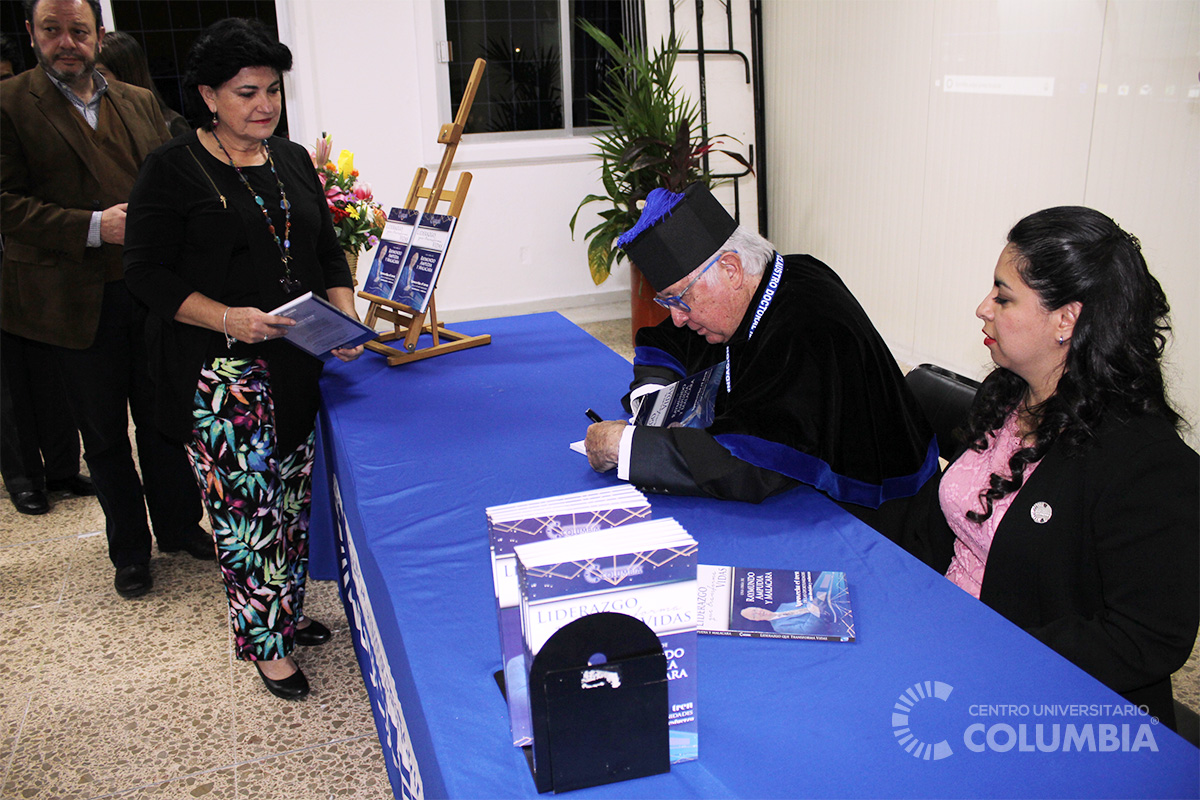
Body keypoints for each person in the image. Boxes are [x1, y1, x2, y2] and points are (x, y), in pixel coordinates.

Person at [123, 18, 364, 701]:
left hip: (294, 362)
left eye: (273, 91)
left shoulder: (290, 159)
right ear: (207, 96)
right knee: (246, 514)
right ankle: (266, 646)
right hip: (221, 375)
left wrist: (343, 312)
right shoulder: (171, 169)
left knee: (288, 503)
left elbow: (325, 252)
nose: (264, 105)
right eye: (245, 92)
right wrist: (229, 317)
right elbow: (146, 274)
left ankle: (283, 613)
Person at [899, 206, 1199, 730]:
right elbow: (941, 524)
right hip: (947, 645)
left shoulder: (1146, 463)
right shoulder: (1008, 394)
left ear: (1067, 319)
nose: (982, 309)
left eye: (1003, 295)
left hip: (1039, 700)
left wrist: (988, 650)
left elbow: (1147, 637)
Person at [1, 0, 211, 597]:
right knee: (104, 434)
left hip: (151, 296)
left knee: (165, 418)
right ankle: (131, 551)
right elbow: (6, 204)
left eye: (79, 31)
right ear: (32, 34)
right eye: (52, 30)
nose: (67, 42)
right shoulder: (11, 103)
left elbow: (174, 180)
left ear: (99, 35)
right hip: (71, 301)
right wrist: (93, 226)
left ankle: (178, 527)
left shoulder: (138, 101)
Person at [585, 183, 938, 532]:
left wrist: (626, 446)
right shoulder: (745, 292)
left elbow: (754, 464)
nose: (676, 317)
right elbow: (667, 342)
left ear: (731, 269)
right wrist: (653, 399)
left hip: (876, 520)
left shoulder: (809, 324)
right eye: (667, 302)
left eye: (679, 299)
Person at [94, 30, 189, 137]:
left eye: (101, 74)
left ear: (125, 73)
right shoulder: (100, 121)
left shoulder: (171, 124)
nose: (94, 81)